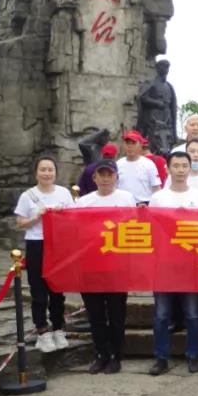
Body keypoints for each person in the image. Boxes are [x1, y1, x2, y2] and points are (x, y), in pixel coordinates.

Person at [148, 152, 198, 375]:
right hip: (164, 263)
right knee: (161, 314)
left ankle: (193, 355)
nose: (180, 170)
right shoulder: (158, 198)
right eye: (176, 166)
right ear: (168, 169)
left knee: (193, 314)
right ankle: (161, 358)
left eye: (184, 165)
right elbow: (152, 228)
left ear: (189, 168)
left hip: (190, 263)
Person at [73, 160, 136, 373]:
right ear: (94, 178)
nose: (106, 179)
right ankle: (101, 354)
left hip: (117, 264)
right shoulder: (84, 202)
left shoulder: (127, 198)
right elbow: (74, 230)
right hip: (90, 264)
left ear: (116, 177)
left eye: (110, 174)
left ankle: (116, 355)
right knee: (95, 314)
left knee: (117, 314)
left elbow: (134, 227)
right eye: (102, 175)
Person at [13, 156, 75, 354]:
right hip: (36, 244)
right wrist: (36, 217)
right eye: (43, 169)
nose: (47, 173)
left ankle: (58, 328)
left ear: (55, 173)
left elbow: (74, 220)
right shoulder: (28, 195)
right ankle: (42, 331)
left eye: (50, 169)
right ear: (36, 173)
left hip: (58, 245)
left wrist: (62, 214)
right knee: (38, 291)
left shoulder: (64, 193)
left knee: (57, 290)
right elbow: (20, 223)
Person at [116, 130, 161, 204]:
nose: (130, 146)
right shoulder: (118, 164)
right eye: (127, 143)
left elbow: (156, 188)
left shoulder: (149, 164)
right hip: (123, 205)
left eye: (133, 143)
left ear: (140, 145)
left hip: (143, 205)